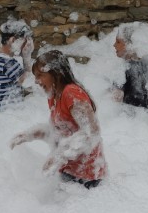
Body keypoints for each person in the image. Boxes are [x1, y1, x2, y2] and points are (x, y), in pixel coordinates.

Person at [11, 49, 107, 189]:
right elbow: (58, 132)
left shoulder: (71, 93)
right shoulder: (54, 97)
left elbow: (92, 133)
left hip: (87, 175)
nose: (36, 81)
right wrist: (29, 135)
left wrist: (59, 156)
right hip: (68, 171)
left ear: (56, 73)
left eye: (40, 75)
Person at [111, 23, 148, 109]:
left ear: (129, 44)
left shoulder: (140, 64)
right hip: (142, 111)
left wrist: (117, 91)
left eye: (118, 42)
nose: (114, 45)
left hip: (136, 113)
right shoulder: (144, 62)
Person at [0, 21, 34, 111]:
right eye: (25, 42)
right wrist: (27, 56)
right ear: (13, 40)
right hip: (10, 111)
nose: (26, 46)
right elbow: (29, 84)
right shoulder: (9, 63)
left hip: (1, 110)